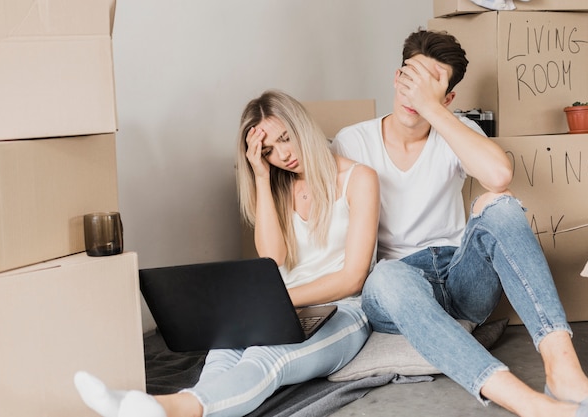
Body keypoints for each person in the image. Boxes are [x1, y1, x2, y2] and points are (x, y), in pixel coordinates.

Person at [331, 29, 588, 417]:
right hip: (398, 287)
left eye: (431, 84)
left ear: (449, 98)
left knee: (499, 204)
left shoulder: (454, 130)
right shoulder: (352, 141)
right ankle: (527, 403)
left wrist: (431, 108)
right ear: (397, 77)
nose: (414, 91)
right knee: (385, 276)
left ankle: (564, 370)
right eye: (410, 77)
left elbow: (499, 176)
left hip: (460, 277)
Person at [73, 90, 380, 417]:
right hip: (278, 307)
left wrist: (278, 300)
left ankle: (163, 408)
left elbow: (353, 278)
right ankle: (155, 409)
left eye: (286, 138)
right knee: (221, 353)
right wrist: (262, 178)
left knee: (266, 359)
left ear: (302, 125)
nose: (283, 154)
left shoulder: (359, 179)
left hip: (343, 311)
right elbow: (272, 257)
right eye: (268, 150)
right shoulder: (278, 185)